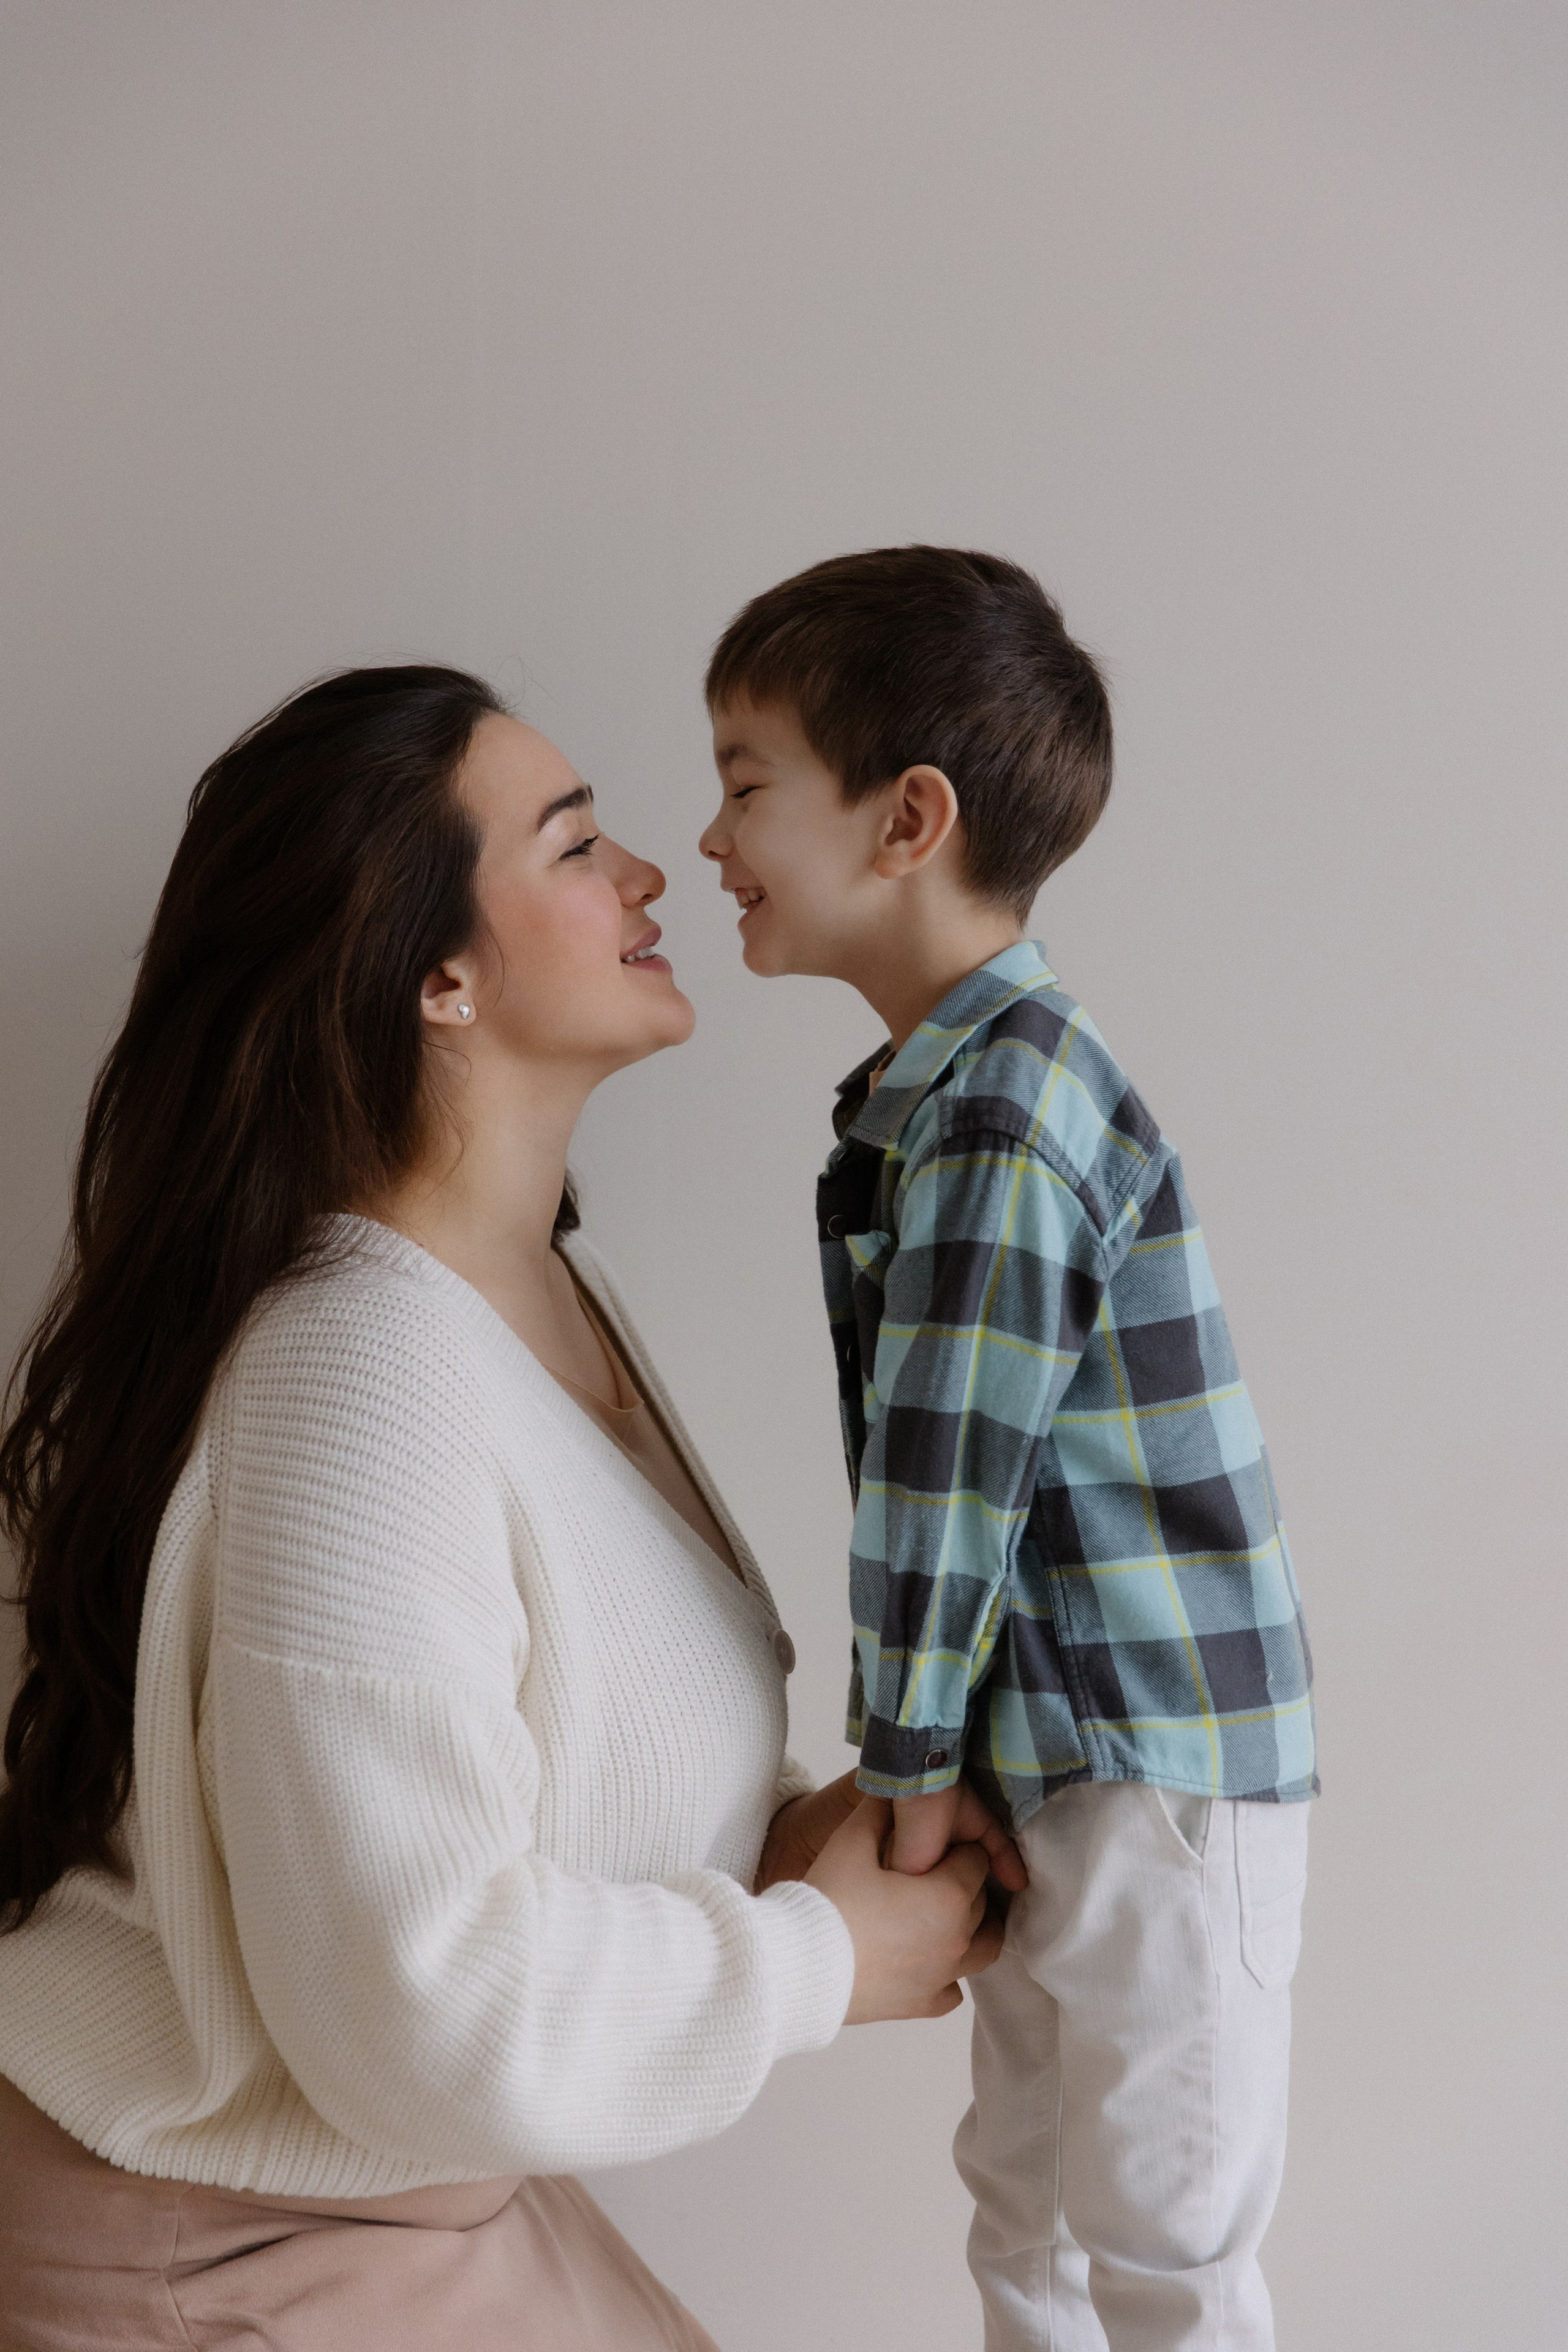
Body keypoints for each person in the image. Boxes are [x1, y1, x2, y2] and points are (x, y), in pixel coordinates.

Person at [0, 663, 1016, 2348]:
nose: (647, 875)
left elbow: (549, 1780)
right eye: (577, 845)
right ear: (438, 977)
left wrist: (814, 1836)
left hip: (407, 2180)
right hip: (214, 2240)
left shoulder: (541, 1286)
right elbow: (418, 1995)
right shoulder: (358, 1367)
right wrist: (817, 1956)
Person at [699, 548, 1318, 2352]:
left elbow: (942, 1481)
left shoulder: (1005, 1109)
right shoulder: (949, 1100)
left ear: (908, 818)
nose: (714, 836)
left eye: (746, 783)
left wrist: (902, 1770)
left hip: (1152, 1761)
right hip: (1071, 1758)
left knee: (1163, 2230)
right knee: (1032, 2210)